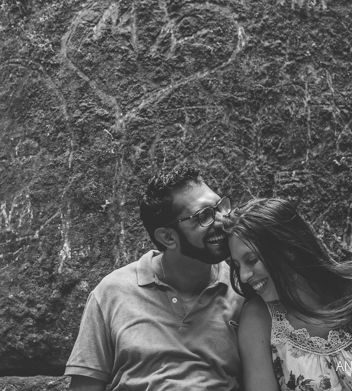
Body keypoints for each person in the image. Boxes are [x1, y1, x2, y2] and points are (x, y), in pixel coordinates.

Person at [65, 166, 244, 391]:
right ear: (168, 237)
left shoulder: (242, 290)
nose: (223, 220)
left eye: (221, 207)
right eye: (204, 216)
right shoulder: (111, 293)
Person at [224, 198, 352, 391]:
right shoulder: (259, 319)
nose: (243, 276)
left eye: (251, 260)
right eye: (237, 265)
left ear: (288, 250)